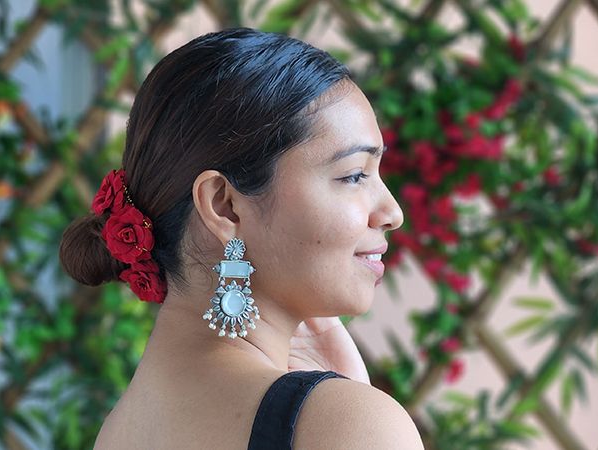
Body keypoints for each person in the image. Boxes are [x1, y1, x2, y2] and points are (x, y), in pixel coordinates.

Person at [59, 27, 422, 449]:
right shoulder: (342, 424)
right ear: (224, 205)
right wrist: (349, 412)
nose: (392, 213)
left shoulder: (119, 431)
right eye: (353, 175)